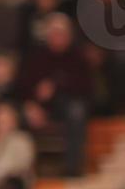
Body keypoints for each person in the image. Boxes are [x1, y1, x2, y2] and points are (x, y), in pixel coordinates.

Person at [18, 14, 92, 176]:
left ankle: (72, 168)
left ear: (69, 36)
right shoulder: (35, 57)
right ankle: (25, 172)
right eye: (54, 33)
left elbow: (86, 87)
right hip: (38, 107)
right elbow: (22, 86)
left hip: (67, 104)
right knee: (16, 116)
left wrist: (56, 85)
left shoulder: (77, 57)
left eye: (61, 34)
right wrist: (31, 105)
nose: (58, 38)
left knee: (77, 112)